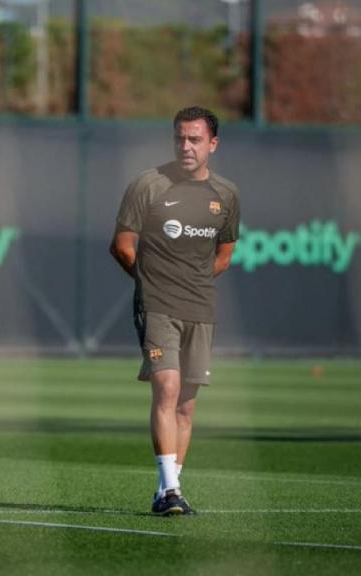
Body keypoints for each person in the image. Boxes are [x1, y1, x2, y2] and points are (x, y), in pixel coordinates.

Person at [109, 106, 240, 516]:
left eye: (195, 139)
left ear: (212, 144)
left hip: (201, 307)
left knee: (187, 404)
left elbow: (224, 254)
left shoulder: (227, 195)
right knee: (166, 389)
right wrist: (150, 283)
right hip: (158, 305)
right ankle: (169, 492)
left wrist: (193, 282)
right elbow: (122, 246)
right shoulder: (147, 185)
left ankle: (169, 488)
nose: (186, 146)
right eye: (180, 138)